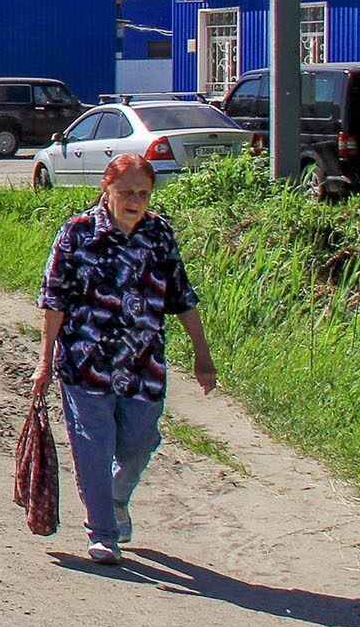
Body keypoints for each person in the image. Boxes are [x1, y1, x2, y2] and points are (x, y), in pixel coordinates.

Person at [33, 153, 220, 565]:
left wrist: (202, 356)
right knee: (93, 448)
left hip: (143, 364)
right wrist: (45, 361)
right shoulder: (77, 234)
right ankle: (102, 532)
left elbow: (181, 298)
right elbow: (54, 301)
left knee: (139, 442)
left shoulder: (158, 235)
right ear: (106, 188)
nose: (136, 200)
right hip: (86, 364)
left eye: (143, 193)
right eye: (127, 192)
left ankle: (116, 497)